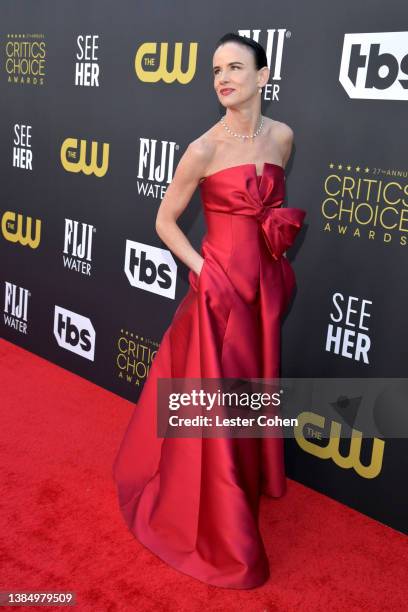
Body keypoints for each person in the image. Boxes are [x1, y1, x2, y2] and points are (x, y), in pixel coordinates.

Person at [113, 32, 306, 589]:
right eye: (217, 70)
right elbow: (164, 221)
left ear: (263, 76)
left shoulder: (283, 138)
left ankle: (246, 480)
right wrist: (200, 268)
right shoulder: (203, 148)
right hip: (219, 294)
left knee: (247, 389)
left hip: (264, 291)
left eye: (235, 68)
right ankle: (220, 516)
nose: (223, 78)